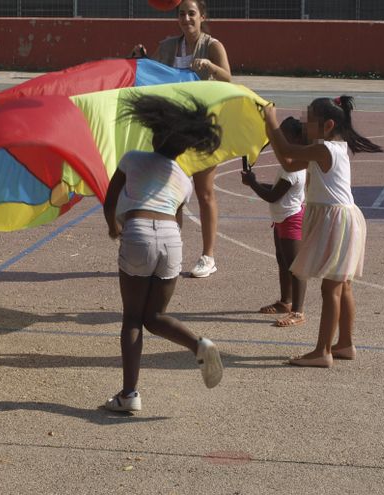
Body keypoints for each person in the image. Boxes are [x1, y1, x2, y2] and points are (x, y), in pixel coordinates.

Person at [102, 94, 225, 412]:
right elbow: (178, 220)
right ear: (183, 147)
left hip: (138, 232)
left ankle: (129, 395)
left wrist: (113, 228)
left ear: (155, 135)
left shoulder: (132, 159)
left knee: (132, 318)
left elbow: (110, 198)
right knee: (154, 317)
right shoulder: (183, 179)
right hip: (171, 240)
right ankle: (198, 345)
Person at [261, 96, 383, 367]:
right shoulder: (328, 148)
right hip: (341, 220)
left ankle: (322, 351)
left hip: (337, 221)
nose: (304, 124)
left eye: (310, 120)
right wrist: (271, 130)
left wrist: (271, 123)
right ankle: (345, 344)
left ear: (328, 125)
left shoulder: (325, 149)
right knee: (343, 285)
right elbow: (290, 162)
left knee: (331, 289)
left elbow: (286, 150)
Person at [131, 0, 232, 278]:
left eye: (191, 13)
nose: (186, 18)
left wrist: (211, 66)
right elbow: (150, 73)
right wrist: (140, 57)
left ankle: (208, 256)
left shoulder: (212, 46)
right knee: (172, 194)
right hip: (174, 129)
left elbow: (228, 80)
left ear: (202, 16)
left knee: (205, 192)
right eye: (182, 13)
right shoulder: (168, 46)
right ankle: (171, 251)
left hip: (203, 128)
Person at [241, 117, 307, 327]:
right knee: (283, 261)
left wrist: (253, 184)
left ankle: (297, 311)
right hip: (281, 217)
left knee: (296, 267)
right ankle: (285, 301)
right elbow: (278, 187)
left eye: (283, 138)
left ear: (295, 139)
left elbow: (273, 196)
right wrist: (257, 182)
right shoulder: (290, 164)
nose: (278, 143)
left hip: (291, 219)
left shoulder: (293, 168)